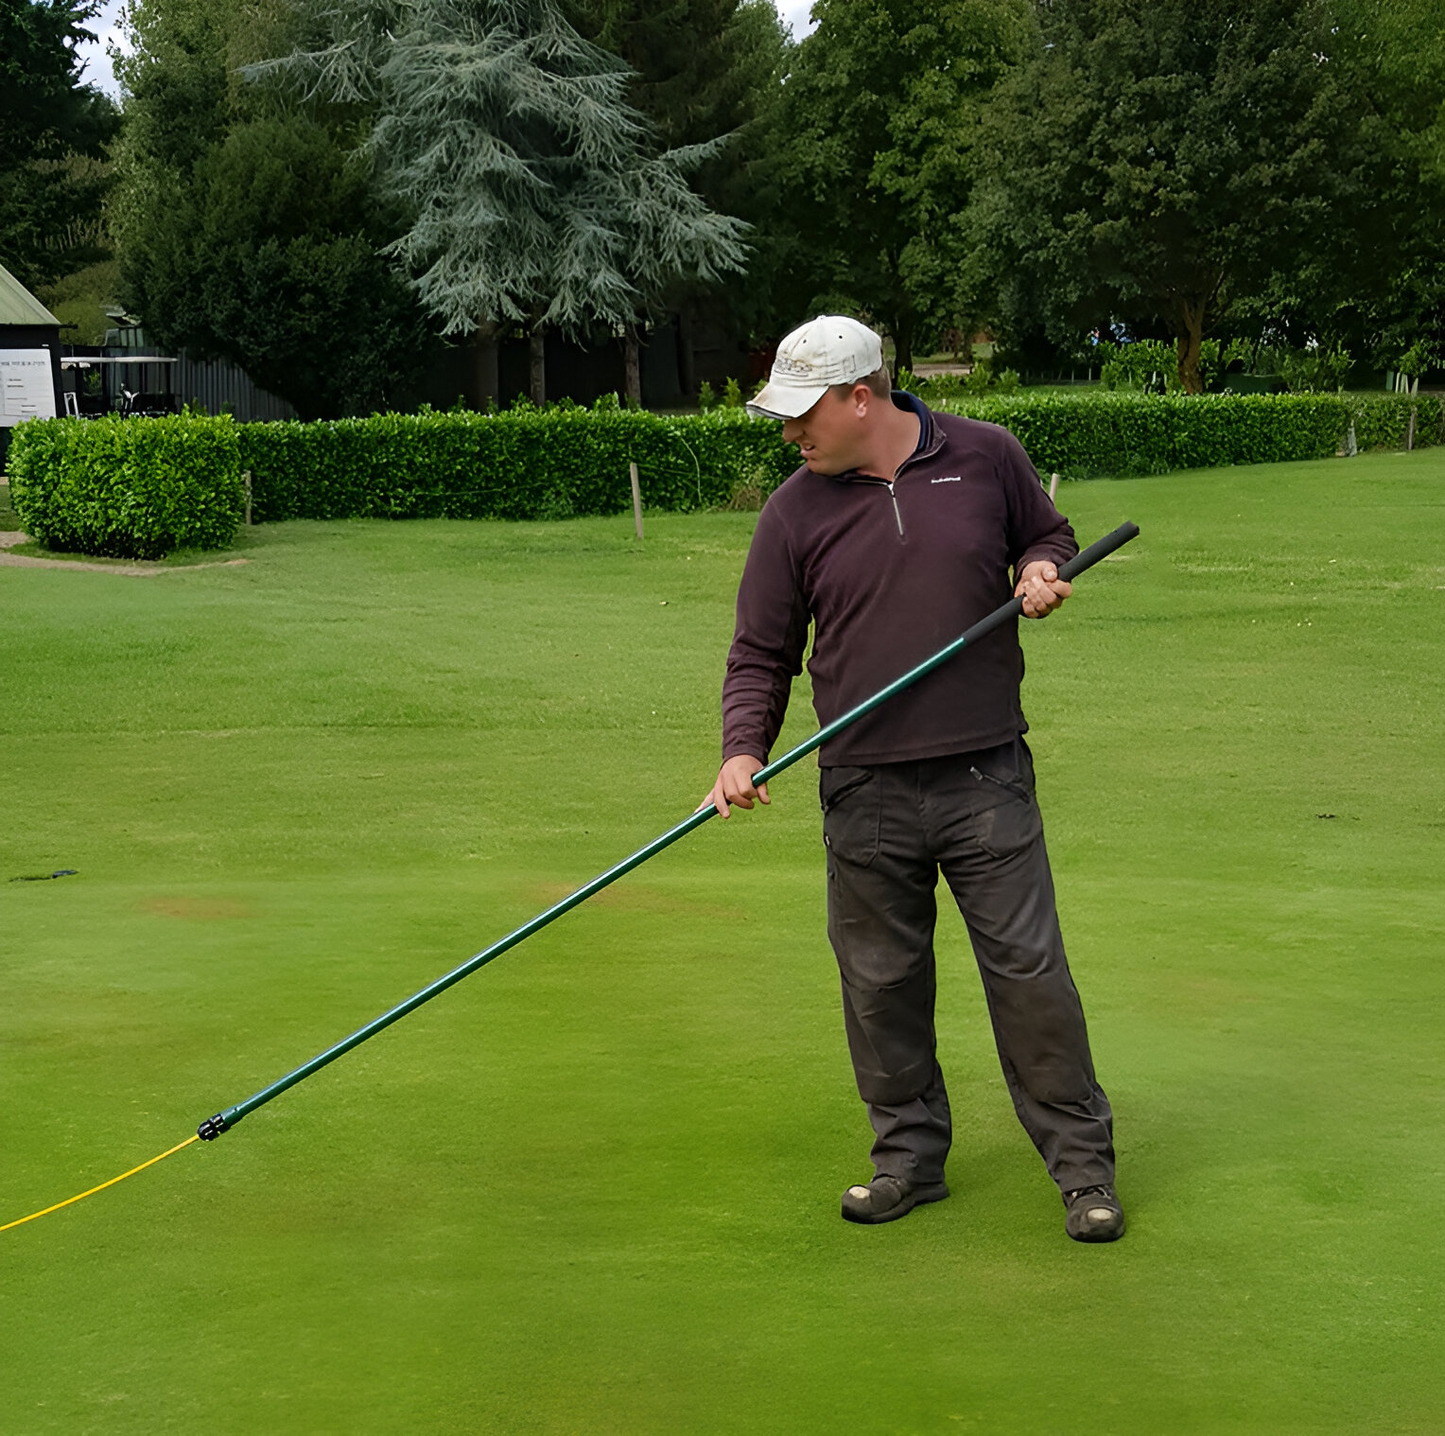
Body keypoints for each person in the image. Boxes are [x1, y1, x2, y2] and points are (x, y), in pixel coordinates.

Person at [706, 316, 1123, 1242]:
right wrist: (742, 749)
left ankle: (1083, 1172)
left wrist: (1041, 567)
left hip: (985, 774)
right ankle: (907, 1161)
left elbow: (1043, 533)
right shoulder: (792, 512)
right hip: (862, 790)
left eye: (801, 414)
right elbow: (761, 653)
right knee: (880, 984)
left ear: (862, 396)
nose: (789, 435)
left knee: (1028, 976)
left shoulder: (985, 455)